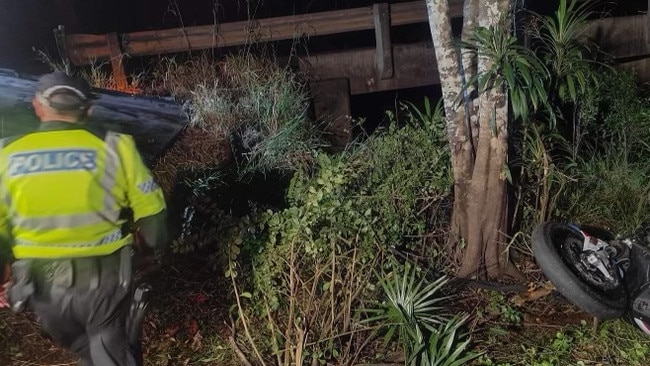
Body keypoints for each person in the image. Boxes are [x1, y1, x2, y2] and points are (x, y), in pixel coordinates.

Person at [0, 72, 168, 365]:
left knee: (84, 346)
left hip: (41, 289)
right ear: (88, 109)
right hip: (104, 281)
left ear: (38, 106)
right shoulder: (116, 146)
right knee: (111, 351)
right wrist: (149, 248)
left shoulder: (6, 153)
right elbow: (153, 216)